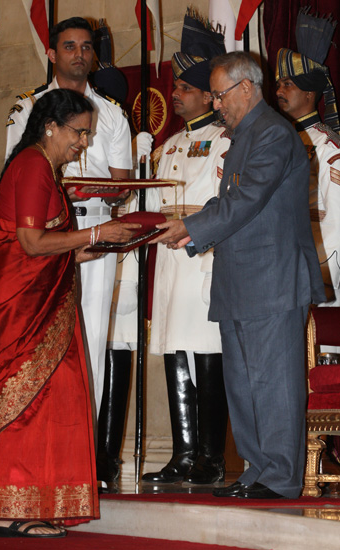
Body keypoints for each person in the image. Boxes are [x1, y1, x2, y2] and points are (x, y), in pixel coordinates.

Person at [152, 51, 325, 499]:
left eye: (219, 95)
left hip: (271, 278)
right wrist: (186, 231)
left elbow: (246, 200)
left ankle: (280, 476)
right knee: (245, 382)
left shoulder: (272, 134)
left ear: (246, 88)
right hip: (240, 277)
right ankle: (256, 470)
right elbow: (228, 203)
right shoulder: (246, 135)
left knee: (273, 380)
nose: (215, 104)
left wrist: (192, 228)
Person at [0, 89, 140, 538]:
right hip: (20, 309)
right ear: (51, 126)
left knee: (57, 397)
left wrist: (105, 243)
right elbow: (29, 244)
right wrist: (94, 232)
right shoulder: (32, 166)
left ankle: (41, 503)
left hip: (41, 300)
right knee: (28, 402)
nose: (83, 143)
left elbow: (48, 249)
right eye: (79, 132)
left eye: (87, 134)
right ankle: (12, 511)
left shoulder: (44, 168)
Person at [5, 17, 132, 417]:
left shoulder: (111, 114)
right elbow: (16, 172)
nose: (79, 54)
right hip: (41, 230)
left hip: (96, 229)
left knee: (91, 336)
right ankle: (34, 432)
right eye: (70, 46)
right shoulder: (27, 107)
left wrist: (83, 190)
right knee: (39, 332)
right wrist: (63, 190)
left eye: (86, 47)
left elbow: (123, 186)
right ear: (51, 53)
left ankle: (83, 451)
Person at [142, 9, 230, 486]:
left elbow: (223, 202)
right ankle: (184, 452)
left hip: (205, 266)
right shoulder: (170, 145)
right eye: (175, 89)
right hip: (171, 268)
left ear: (207, 96)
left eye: (183, 89)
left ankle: (212, 456)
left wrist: (182, 218)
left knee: (207, 357)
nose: (173, 95)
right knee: (175, 354)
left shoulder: (225, 140)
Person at [275, 8, 340, 307]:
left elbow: (337, 223)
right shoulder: (275, 142)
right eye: (278, 84)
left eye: (288, 84)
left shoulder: (328, 148)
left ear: (311, 94)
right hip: (278, 269)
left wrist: (318, 276)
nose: (279, 91)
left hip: (313, 272)